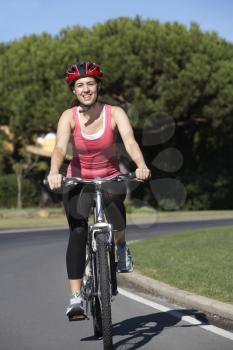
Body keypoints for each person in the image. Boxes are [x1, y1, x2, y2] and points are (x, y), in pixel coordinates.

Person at [47, 61, 151, 319]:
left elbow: (130, 141)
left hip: (109, 177)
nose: (85, 89)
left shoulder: (114, 113)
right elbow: (60, 148)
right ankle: (75, 299)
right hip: (78, 180)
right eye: (79, 85)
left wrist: (141, 165)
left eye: (90, 84)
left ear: (98, 87)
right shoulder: (68, 117)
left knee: (116, 209)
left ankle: (122, 245)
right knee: (78, 230)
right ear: (74, 91)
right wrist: (54, 171)